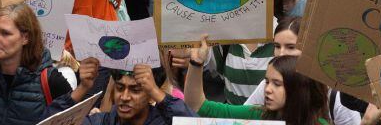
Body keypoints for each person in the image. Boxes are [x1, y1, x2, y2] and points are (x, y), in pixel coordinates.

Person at [187, 50, 331, 123]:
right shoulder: (257, 116)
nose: (267, 89)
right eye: (267, 82)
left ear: (298, 88)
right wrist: (196, 63)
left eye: (277, 84)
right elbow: (199, 106)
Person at [81, 64, 194, 124]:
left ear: (151, 95)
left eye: (135, 90)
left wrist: (155, 91)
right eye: (120, 88)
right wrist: (82, 88)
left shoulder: (164, 122)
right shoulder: (101, 121)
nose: (124, 97)